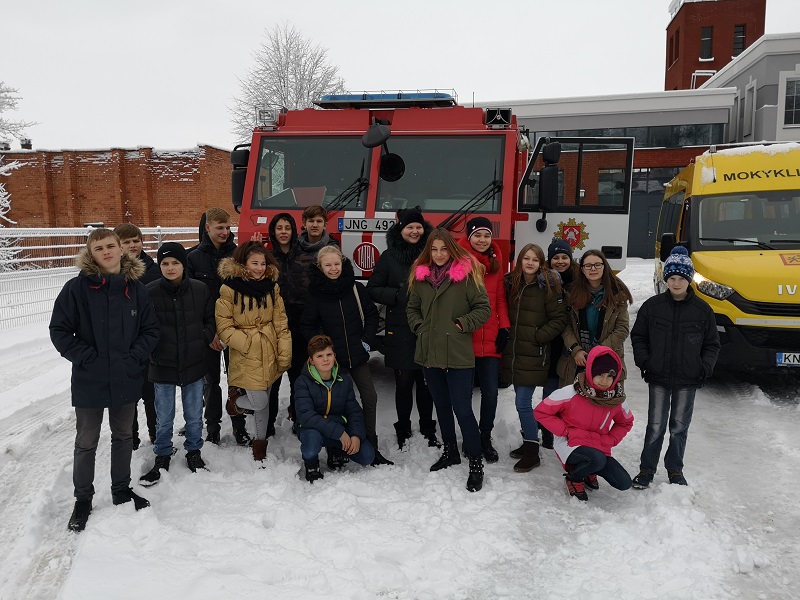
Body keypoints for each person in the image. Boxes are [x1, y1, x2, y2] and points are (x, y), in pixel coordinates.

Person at [50, 228, 159, 532]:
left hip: (125, 376)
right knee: (86, 441)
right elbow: (59, 330)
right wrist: (87, 357)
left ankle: (121, 489)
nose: (106, 252)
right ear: (91, 254)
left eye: (111, 245)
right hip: (90, 377)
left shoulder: (135, 288)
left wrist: (133, 357)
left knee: (123, 436)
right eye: (99, 248)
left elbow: (150, 330)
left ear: (121, 249)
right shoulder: (76, 289)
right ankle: (83, 499)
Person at [407, 228, 491, 492]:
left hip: (457, 352)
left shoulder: (466, 275)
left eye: (444, 249)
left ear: (452, 250)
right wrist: (419, 327)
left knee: (462, 409)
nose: (439, 254)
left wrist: (461, 324)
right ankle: (451, 451)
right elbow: (411, 308)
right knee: (441, 406)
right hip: (429, 352)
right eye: (434, 249)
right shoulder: (420, 277)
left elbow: (484, 308)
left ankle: (475, 463)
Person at [630, 246, 720, 488]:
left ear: (689, 280)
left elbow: (712, 344)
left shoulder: (702, 310)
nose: (676, 283)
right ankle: (647, 470)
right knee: (655, 425)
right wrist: (645, 361)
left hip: (688, 378)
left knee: (679, 427)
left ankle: (675, 470)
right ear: (666, 279)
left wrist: (704, 367)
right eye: (672, 278)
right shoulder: (652, 307)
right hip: (658, 376)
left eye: (681, 278)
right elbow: (638, 336)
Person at [301, 245, 393, 466]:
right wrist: (323, 351)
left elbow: (372, 316)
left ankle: (370, 444)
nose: (333, 269)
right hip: (333, 362)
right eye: (328, 265)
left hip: (357, 355)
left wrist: (366, 340)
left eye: (337, 264)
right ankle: (336, 448)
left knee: (369, 398)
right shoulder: (315, 293)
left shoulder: (355, 288)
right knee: (336, 403)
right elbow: (307, 326)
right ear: (320, 267)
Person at [139, 243, 216, 486]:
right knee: (164, 415)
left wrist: (202, 338)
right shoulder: (149, 292)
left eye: (175, 263)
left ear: (183, 265)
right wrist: (153, 349)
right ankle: (162, 453)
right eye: (165, 263)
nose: (170, 268)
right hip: (162, 363)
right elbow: (144, 326)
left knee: (194, 414)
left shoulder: (200, 289)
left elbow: (209, 320)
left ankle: (194, 451)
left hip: (193, 361)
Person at [367, 207, 439, 450]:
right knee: (405, 382)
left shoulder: (432, 254)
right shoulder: (389, 257)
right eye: (410, 227)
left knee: (426, 381)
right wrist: (398, 295)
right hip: (400, 328)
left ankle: (428, 427)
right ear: (401, 229)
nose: (415, 231)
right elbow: (373, 289)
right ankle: (404, 428)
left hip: (428, 326)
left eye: (418, 227)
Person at [215, 241, 292, 462]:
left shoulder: (272, 287)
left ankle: (260, 444)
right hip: (246, 353)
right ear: (243, 264)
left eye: (262, 263)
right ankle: (235, 403)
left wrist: (284, 352)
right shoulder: (229, 289)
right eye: (254, 263)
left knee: (265, 399)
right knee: (259, 401)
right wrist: (248, 344)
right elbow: (224, 326)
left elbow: (281, 323)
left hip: (270, 349)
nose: (259, 268)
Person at [534, 345, 634, 501]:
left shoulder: (616, 399)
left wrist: (611, 439)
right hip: (571, 444)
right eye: (600, 375)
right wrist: (564, 431)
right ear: (590, 371)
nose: (604, 381)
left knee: (624, 482)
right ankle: (574, 478)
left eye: (610, 376)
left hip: (599, 446)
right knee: (597, 459)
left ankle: (588, 470)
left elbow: (625, 423)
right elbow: (541, 411)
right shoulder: (570, 392)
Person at [500, 243, 567, 472]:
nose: (530, 263)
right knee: (521, 402)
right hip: (515, 352)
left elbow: (559, 319)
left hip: (534, 352)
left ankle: (532, 452)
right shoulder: (511, 283)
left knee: (522, 402)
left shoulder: (547, 285)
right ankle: (529, 443)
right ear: (520, 260)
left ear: (541, 263)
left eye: (535, 259)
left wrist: (539, 336)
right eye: (526, 258)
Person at [186, 208, 250, 446]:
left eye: (227, 227)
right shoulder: (193, 258)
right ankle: (212, 427)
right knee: (211, 382)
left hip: (234, 328)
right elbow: (192, 301)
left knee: (237, 380)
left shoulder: (237, 255)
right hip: (208, 331)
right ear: (208, 228)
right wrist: (209, 332)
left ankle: (239, 425)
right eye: (219, 227)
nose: (224, 232)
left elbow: (245, 295)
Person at [457, 217, 511, 463]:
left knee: (490, 393)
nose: (482, 240)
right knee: (464, 394)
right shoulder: (458, 262)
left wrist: (505, 327)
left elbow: (500, 299)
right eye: (477, 235)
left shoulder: (496, 264)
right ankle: (469, 437)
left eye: (486, 235)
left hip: (490, 338)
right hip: (465, 338)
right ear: (469, 237)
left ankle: (485, 436)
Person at [294, 335, 376, 482]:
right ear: (311, 360)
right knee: (311, 446)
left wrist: (356, 435)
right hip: (313, 429)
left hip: (338, 428)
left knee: (367, 456)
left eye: (329, 354)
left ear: (334, 356)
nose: (325, 359)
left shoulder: (343, 380)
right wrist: (339, 433)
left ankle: (336, 449)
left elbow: (354, 411)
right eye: (320, 356)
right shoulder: (303, 382)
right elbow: (306, 415)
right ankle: (311, 463)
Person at [558, 249, 633, 388]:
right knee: (575, 401)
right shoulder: (571, 292)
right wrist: (575, 350)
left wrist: (600, 351)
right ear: (582, 269)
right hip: (576, 362)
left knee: (603, 401)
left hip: (607, 361)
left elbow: (622, 329)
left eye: (597, 265)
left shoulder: (617, 293)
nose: (593, 269)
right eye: (588, 265)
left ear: (604, 266)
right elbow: (565, 325)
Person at [113, 223, 160, 449]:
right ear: (118, 245)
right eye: (127, 242)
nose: (133, 245)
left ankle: (156, 433)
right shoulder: (112, 271)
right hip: (123, 343)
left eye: (136, 241)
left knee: (152, 393)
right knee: (127, 395)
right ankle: (130, 437)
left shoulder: (153, 270)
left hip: (149, 340)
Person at [266, 213, 309, 436]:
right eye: (279, 228)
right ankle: (268, 423)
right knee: (273, 378)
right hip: (275, 325)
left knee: (298, 376)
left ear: (293, 231)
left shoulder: (305, 255)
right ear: (273, 231)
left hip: (301, 324)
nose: (283, 232)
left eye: (287, 228)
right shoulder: (266, 257)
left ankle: (298, 418)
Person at [540, 238, 580, 449]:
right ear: (549, 260)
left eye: (565, 257)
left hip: (571, 342)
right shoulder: (544, 281)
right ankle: (547, 432)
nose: (560, 261)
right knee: (550, 389)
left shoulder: (579, 281)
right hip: (551, 343)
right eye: (556, 257)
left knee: (569, 392)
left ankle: (567, 432)